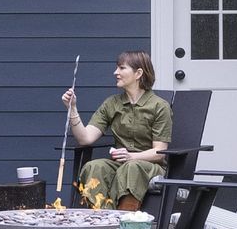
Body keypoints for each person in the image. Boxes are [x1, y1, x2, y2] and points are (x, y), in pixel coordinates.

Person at [61, 51, 171, 211]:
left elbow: (160, 152)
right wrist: (72, 109)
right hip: (119, 165)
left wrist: (131, 156)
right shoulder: (112, 104)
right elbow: (85, 138)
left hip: (149, 167)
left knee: (132, 167)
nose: (116, 73)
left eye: (121, 68)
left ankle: (126, 220)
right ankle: (103, 219)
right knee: (94, 166)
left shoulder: (159, 106)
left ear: (138, 73)